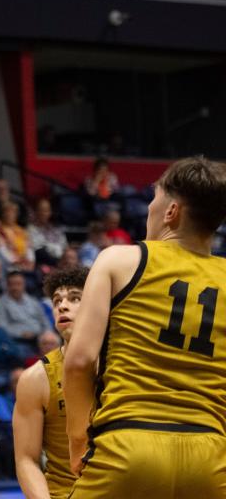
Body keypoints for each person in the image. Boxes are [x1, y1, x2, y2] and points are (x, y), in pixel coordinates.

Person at [65, 157, 226, 497]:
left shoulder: (120, 260)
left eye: (154, 198)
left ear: (171, 212)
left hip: (128, 445)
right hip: (210, 456)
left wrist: (78, 439)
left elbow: (79, 361)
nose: (149, 207)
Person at [13, 268, 87, 499]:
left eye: (75, 298)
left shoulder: (125, 364)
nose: (62, 306)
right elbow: (26, 460)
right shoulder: (36, 378)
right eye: (57, 301)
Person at [0, 271, 50, 358]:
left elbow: (45, 322)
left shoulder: (33, 301)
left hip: (39, 339)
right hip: (17, 342)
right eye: (12, 284)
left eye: (18, 284)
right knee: (22, 352)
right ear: (7, 285)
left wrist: (47, 335)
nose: (15, 287)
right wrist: (21, 334)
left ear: (24, 284)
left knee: (54, 345)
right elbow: (1, 328)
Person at [28, 199, 67, 267]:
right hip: (45, 264)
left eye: (46, 210)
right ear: (36, 211)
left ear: (50, 212)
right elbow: (39, 252)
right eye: (41, 210)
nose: (43, 213)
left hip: (62, 261)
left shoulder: (56, 229)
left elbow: (65, 247)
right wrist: (57, 263)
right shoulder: (31, 229)